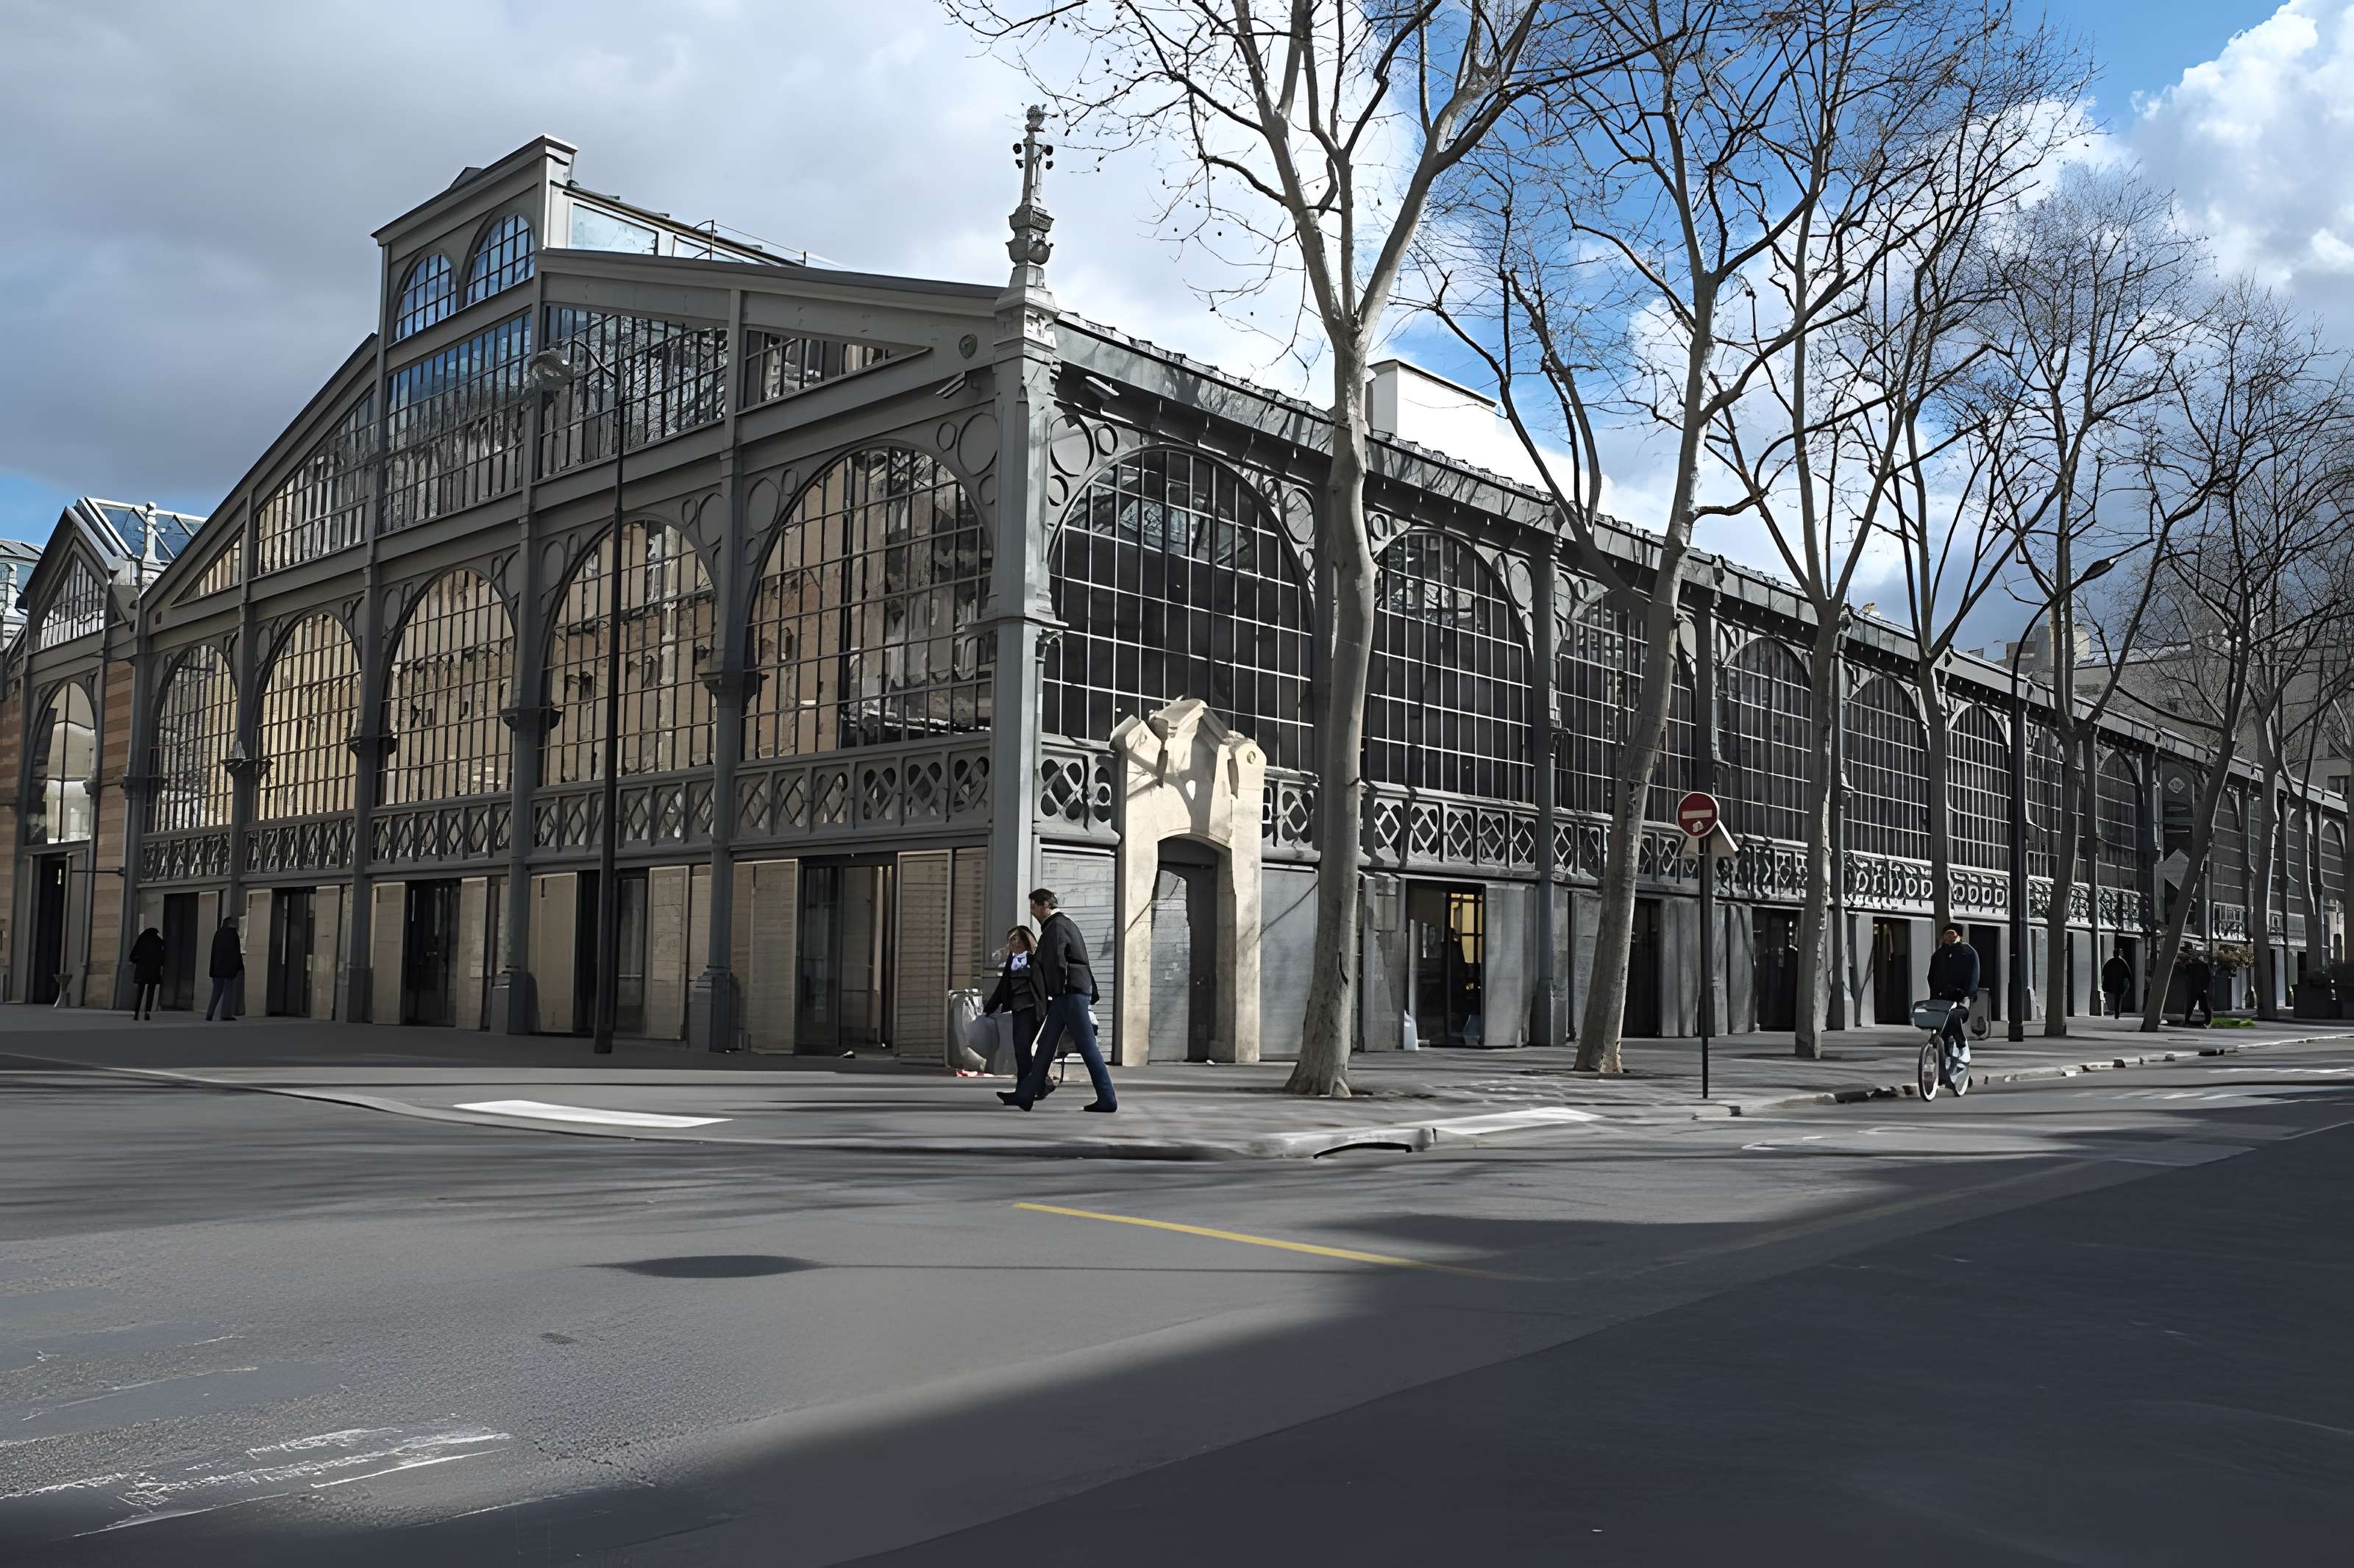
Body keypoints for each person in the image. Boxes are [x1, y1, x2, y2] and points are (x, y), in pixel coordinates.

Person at [1001, 888, 1116, 1113]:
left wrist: (1053, 991)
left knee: (1087, 1048)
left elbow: (1057, 964)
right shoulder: (1064, 924)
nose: (1032, 912)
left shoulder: (1056, 927)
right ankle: (1026, 1095)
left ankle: (1108, 1099)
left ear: (1044, 906)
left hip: (1069, 995)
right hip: (1068, 994)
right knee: (1045, 1047)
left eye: (1033, 907)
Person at [983, 925, 1050, 1086]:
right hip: (1018, 1010)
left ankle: (1030, 1086)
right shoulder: (1012, 962)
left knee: (1023, 1049)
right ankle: (1033, 1086)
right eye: (1013, 940)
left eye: (1019, 939)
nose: (1016, 943)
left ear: (1027, 942)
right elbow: (1003, 986)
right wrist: (990, 1008)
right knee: (1021, 1051)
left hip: (1031, 1010)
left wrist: (1045, 1009)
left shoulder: (1033, 961)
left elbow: (1041, 986)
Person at [1926, 924, 1978, 1078]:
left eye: (1952, 934)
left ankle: (1962, 1047)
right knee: (1938, 1027)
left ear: (1959, 936)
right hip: (1941, 998)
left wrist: (1968, 996)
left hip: (1961, 998)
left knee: (1954, 1016)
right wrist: (1935, 994)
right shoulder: (1938, 955)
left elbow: (1974, 977)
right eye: (1946, 934)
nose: (1949, 937)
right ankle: (1944, 1062)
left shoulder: (1969, 953)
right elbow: (1931, 977)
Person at [205, 918, 243, 1022]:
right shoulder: (233, 934)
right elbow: (236, 952)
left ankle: (210, 1013)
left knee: (216, 991)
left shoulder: (218, 933)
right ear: (230, 924)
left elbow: (214, 952)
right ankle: (226, 1014)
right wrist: (239, 967)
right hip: (229, 968)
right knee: (228, 991)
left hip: (217, 968)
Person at [129, 925, 166, 1021]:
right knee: (151, 993)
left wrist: (137, 961)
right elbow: (163, 958)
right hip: (154, 971)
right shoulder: (159, 942)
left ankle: (136, 1013)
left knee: (140, 992)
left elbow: (132, 956)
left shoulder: (142, 940)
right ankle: (147, 1013)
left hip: (142, 970)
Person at [2183, 949, 2213, 1026]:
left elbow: (2187, 976)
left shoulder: (2190, 966)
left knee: (2191, 1006)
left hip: (2193, 989)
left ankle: (2187, 1021)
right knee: (2203, 1006)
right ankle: (2208, 1021)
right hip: (2200, 989)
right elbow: (2208, 977)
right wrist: (2205, 987)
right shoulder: (2203, 966)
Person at [2102, 952, 2131, 1019]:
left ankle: (2112, 1010)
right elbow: (2128, 972)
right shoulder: (2122, 962)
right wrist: (2129, 980)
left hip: (2110, 984)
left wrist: (2105, 982)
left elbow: (2104, 972)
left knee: (2111, 998)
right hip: (2119, 984)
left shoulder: (2109, 962)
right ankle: (2116, 1013)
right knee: (2117, 999)